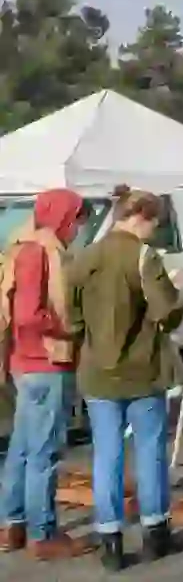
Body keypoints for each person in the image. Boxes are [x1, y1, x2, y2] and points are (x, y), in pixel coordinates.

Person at [69, 186, 183, 571]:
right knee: (150, 451)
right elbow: (167, 313)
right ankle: (155, 532)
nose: (154, 231)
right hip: (142, 371)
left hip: (97, 372)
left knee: (106, 455)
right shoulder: (144, 256)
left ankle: (111, 542)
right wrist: (179, 287)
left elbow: (70, 316)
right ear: (141, 217)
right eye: (154, 223)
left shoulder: (86, 256)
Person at [0, 189, 92, 559]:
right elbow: (28, 314)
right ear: (63, 218)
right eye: (76, 222)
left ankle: (13, 525)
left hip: (24, 362)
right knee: (44, 452)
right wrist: (65, 327)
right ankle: (44, 534)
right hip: (45, 362)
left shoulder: (21, 246)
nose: (77, 230)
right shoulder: (41, 253)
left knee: (22, 449)